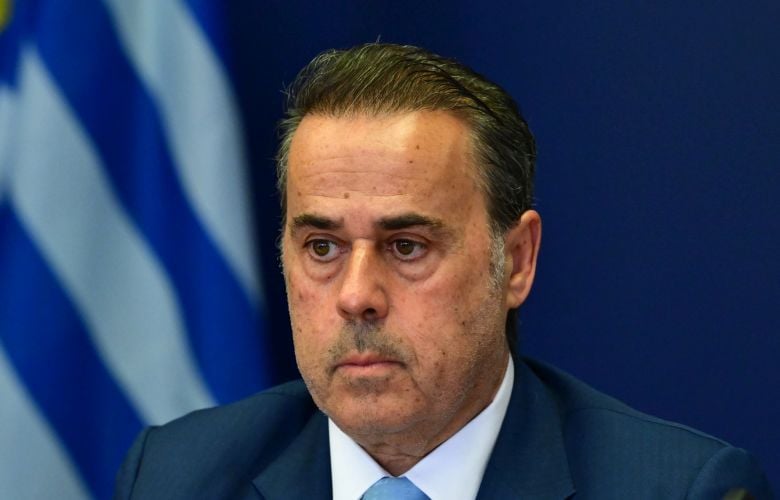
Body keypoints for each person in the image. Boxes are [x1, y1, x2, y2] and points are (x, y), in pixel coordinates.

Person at [114, 43, 773, 499]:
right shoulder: (175, 477)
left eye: (406, 247)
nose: (356, 296)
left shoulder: (678, 489)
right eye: (322, 247)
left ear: (516, 261)